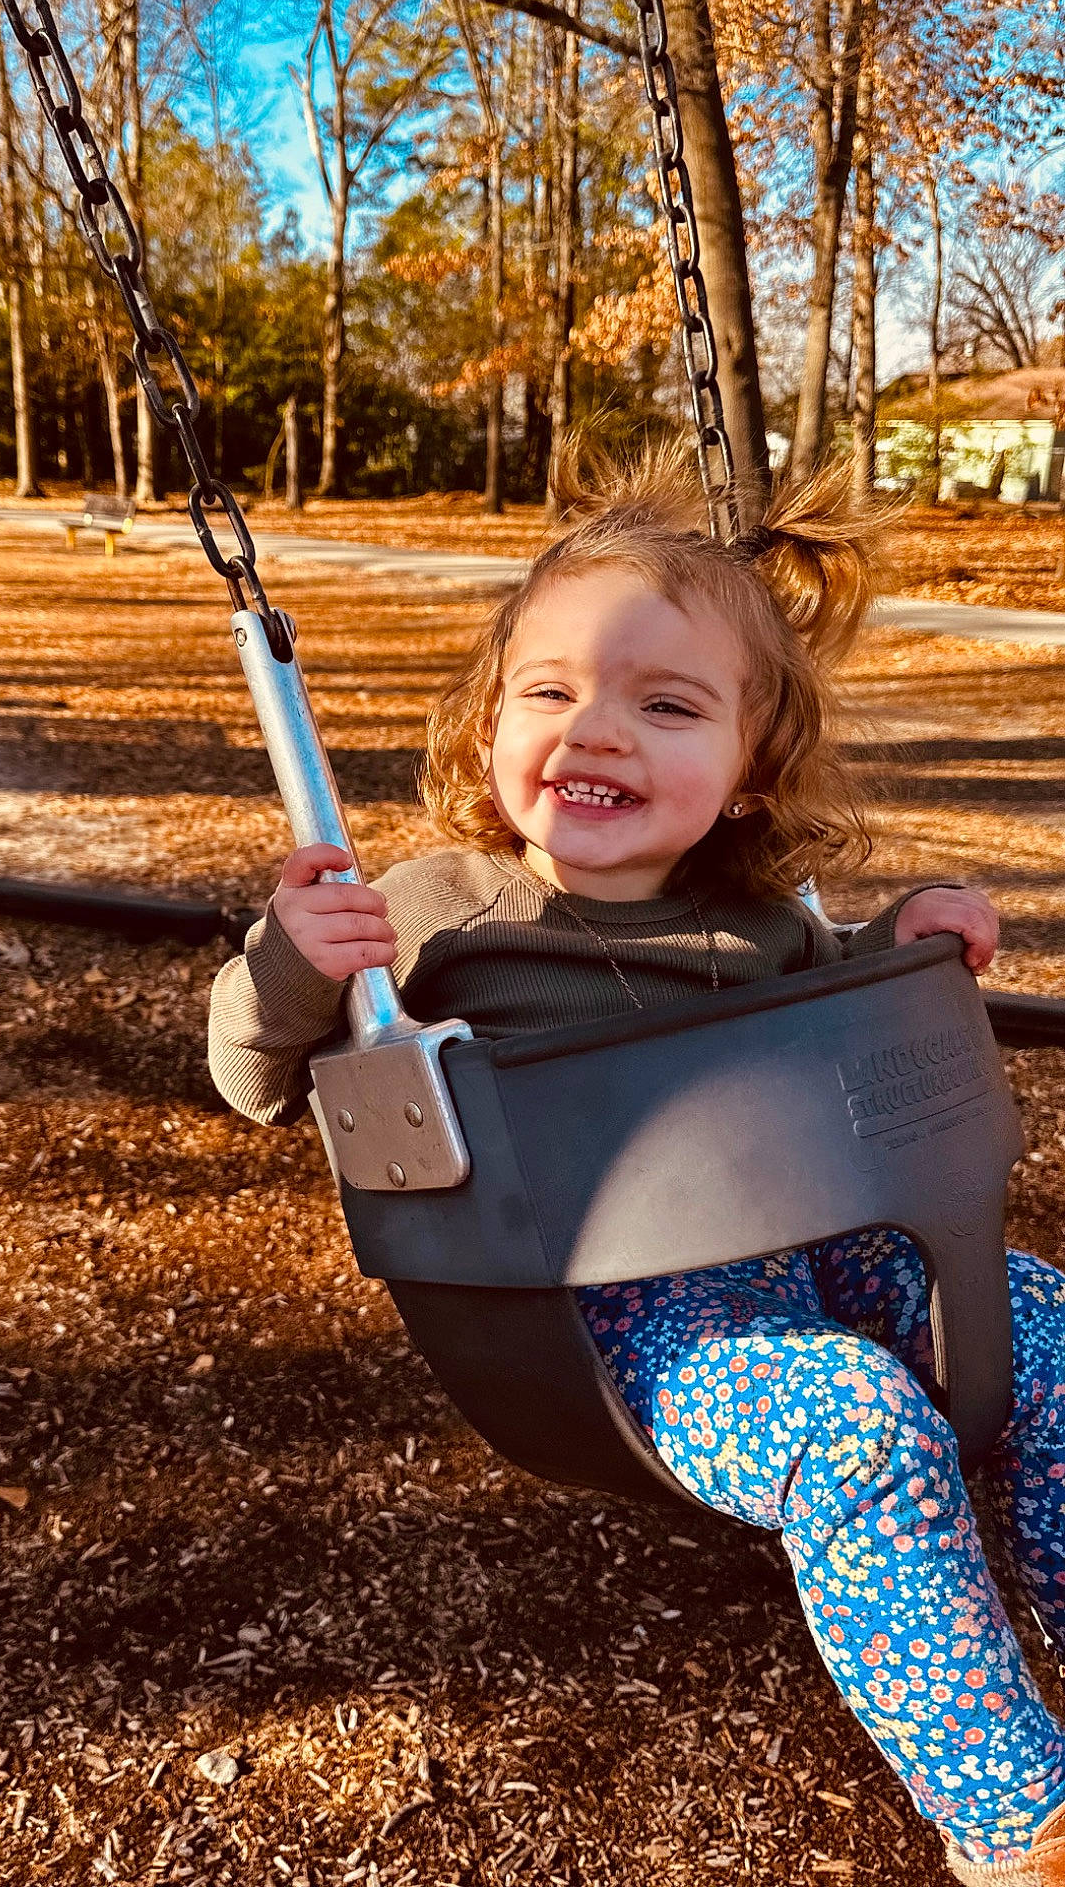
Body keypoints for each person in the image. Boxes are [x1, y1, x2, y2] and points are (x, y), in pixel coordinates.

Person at [206, 447, 1065, 1884]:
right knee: (858, 1427)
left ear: (747, 775)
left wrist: (907, 938)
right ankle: (1012, 1815)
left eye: (666, 706)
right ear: (492, 721)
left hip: (820, 1243)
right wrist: (294, 969)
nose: (596, 729)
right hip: (615, 1328)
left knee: (1037, 1321)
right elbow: (248, 1078)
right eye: (550, 692)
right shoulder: (433, 910)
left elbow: (840, 1000)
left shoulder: (757, 918)